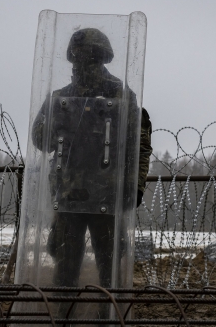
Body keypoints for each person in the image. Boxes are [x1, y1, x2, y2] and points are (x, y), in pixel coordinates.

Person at [32, 28, 152, 291]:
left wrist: (135, 186)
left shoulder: (121, 96)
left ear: (102, 58)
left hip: (108, 198)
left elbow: (139, 145)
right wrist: (54, 116)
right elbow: (41, 140)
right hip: (68, 197)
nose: (84, 64)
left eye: (91, 58)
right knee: (64, 275)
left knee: (110, 279)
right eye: (79, 58)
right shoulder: (61, 97)